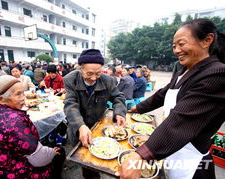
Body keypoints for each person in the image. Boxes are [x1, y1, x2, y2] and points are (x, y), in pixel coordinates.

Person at [118, 18, 225, 179]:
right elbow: (164, 93)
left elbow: (182, 119)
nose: (176, 50)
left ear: (207, 40)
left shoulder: (217, 73)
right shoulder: (185, 70)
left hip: (192, 159)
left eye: (181, 44)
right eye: (174, 46)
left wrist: (140, 155)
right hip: (172, 146)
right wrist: (138, 108)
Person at [0, 75, 64, 178]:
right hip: (14, 173)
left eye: (23, 93)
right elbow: (39, 159)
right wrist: (52, 152)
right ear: (0, 99)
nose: (23, 98)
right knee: (60, 153)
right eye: (18, 94)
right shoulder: (14, 121)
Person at [63, 49, 126, 179]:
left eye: (98, 73)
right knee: (86, 162)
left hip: (98, 126)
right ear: (81, 69)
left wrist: (119, 113)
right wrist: (80, 125)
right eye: (89, 74)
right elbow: (70, 104)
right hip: (78, 126)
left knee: (105, 156)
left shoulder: (108, 80)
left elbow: (118, 98)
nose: (93, 78)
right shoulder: (70, 80)